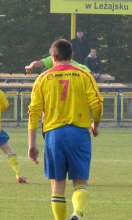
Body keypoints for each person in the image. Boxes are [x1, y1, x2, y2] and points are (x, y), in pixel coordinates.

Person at [28, 39, 104, 220]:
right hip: (79, 133)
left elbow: (34, 112)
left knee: (57, 186)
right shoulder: (84, 75)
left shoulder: (43, 78)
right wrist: (96, 125)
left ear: (52, 57)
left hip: (54, 134)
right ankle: (77, 213)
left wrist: (32, 143)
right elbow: (97, 104)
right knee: (80, 183)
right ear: (72, 56)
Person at [25, 51, 91, 74]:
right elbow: (89, 75)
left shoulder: (53, 59)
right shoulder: (80, 66)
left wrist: (30, 67)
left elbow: (35, 63)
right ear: (71, 56)